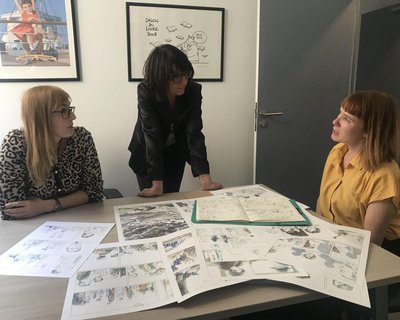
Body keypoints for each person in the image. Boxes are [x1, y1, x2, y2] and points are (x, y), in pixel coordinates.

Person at [128, 44, 222, 197]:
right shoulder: (146, 91)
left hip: (175, 152)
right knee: (154, 202)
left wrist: (204, 178)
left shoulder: (193, 91)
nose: (184, 81)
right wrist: (156, 183)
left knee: (172, 197)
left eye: (186, 74)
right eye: (177, 77)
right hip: (147, 152)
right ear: (160, 77)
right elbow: (152, 133)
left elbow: (194, 133)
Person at [316, 90, 400, 256]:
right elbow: (323, 201)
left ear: (368, 131)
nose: (335, 121)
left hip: (378, 252)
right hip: (336, 240)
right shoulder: (337, 151)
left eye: (346, 119)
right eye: (340, 112)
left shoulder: (384, 174)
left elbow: (371, 242)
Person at [0, 85, 103, 220]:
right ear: (41, 116)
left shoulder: (82, 138)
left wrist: (46, 205)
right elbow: (12, 209)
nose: (73, 116)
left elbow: (94, 191)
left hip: (80, 218)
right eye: (64, 111)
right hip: (32, 227)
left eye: (70, 109)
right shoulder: (15, 143)